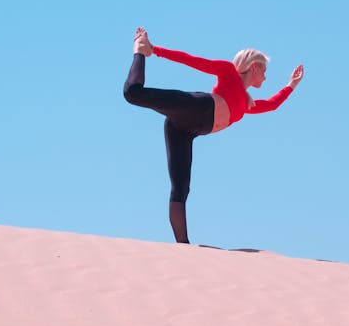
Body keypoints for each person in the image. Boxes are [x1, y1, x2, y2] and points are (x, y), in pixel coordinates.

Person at [122, 27, 304, 244]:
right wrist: (155, 50)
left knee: (181, 187)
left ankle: (183, 246)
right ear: (254, 67)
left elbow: (272, 105)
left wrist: (291, 85)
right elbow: (195, 61)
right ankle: (140, 50)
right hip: (197, 107)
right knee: (133, 93)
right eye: (263, 71)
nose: (265, 77)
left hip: (185, 130)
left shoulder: (246, 103)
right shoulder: (229, 73)